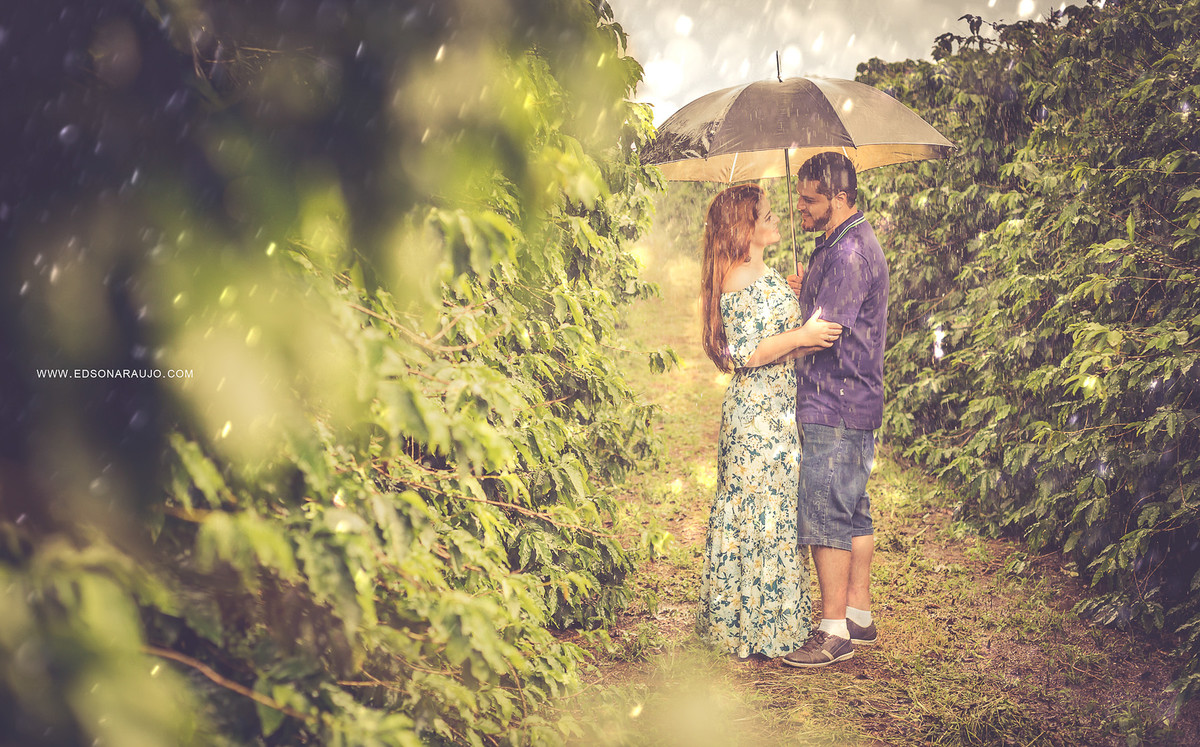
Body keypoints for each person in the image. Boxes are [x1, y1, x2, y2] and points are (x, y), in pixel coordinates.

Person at [697, 183, 842, 660]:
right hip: (755, 416)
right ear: (745, 227)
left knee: (778, 509)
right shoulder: (736, 276)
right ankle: (752, 626)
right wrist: (801, 332)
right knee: (760, 510)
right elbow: (749, 353)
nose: (776, 218)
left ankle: (776, 620)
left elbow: (782, 344)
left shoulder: (766, 271)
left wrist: (801, 316)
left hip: (780, 408)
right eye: (766, 214)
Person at [781, 152, 887, 669]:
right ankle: (859, 614)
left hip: (836, 400)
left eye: (810, 200)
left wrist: (776, 346)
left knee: (825, 510)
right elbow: (829, 309)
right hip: (855, 399)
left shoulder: (848, 254)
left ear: (839, 199)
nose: (801, 207)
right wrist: (809, 291)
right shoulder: (840, 243)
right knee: (852, 508)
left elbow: (824, 333)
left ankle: (833, 631)